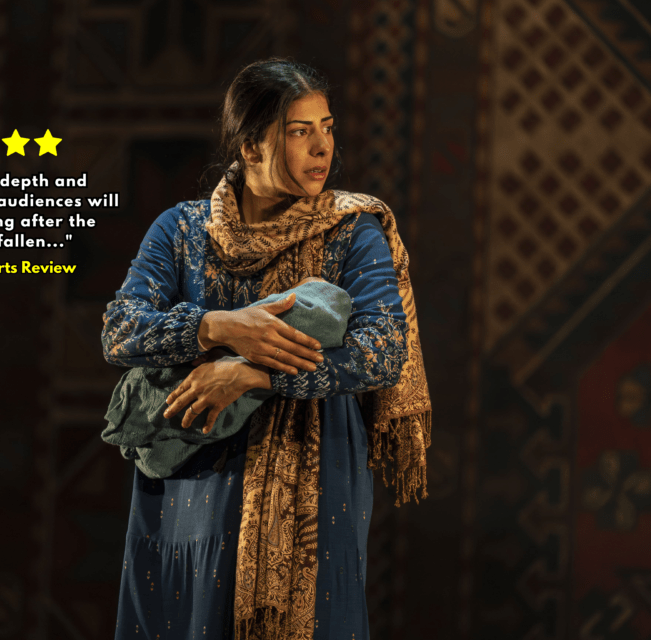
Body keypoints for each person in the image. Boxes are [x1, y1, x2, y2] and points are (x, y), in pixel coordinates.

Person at [102, 57, 432, 640]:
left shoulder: (352, 231)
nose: (322, 147)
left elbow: (383, 351)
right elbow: (120, 330)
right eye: (300, 132)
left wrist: (253, 374)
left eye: (327, 128)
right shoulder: (183, 231)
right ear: (251, 146)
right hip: (189, 478)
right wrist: (221, 326)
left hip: (313, 474)